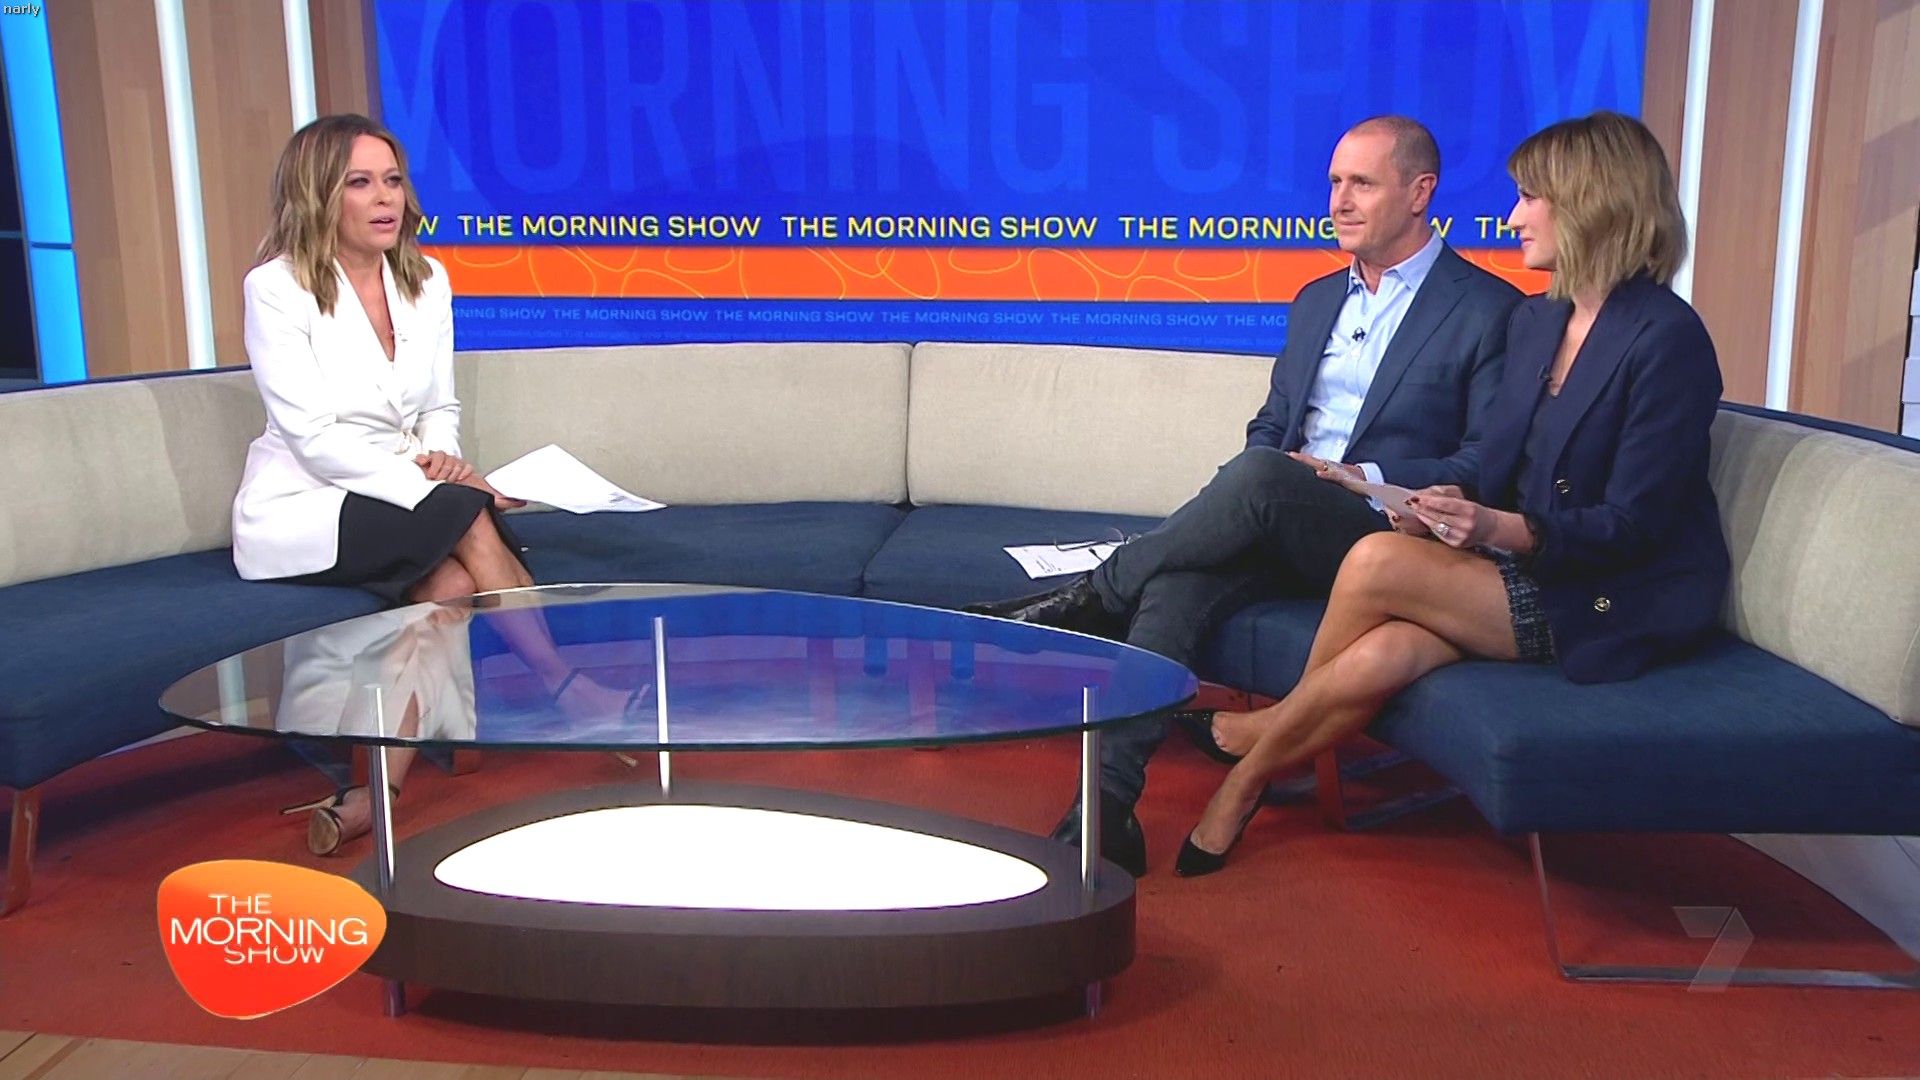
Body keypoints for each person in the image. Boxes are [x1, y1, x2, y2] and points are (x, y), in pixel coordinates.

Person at [1174, 111, 1729, 877]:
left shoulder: (1667, 339)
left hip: (1609, 592)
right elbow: (1494, 461)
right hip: (1519, 564)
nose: (1513, 218)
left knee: (1375, 562)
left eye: (1531, 198)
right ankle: (1260, 757)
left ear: (1591, 204)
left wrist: (1496, 528)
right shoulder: (1539, 319)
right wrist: (1430, 503)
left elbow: (1633, 527)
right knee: (1386, 650)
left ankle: (1247, 774)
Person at [968, 117, 1523, 875]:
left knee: (1262, 477)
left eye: (1361, 183)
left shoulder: (1487, 309)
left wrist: (1359, 476)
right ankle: (1103, 811)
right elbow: (1271, 425)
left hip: (1382, 538)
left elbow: (1484, 462)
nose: (1339, 201)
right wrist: (1279, 472)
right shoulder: (1316, 300)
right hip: (1281, 517)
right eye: (1334, 182)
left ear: (1420, 192)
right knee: (1178, 578)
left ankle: (1097, 593)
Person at [235, 114, 531, 855]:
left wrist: (444, 461)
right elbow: (311, 437)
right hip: (310, 503)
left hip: (403, 493)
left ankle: (375, 795)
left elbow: (439, 410)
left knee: (450, 586)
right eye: (361, 183)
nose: (385, 198)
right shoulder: (276, 289)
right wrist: (442, 485)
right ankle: (566, 685)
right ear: (318, 196)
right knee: (468, 512)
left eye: (393, 181)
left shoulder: (426, 280)